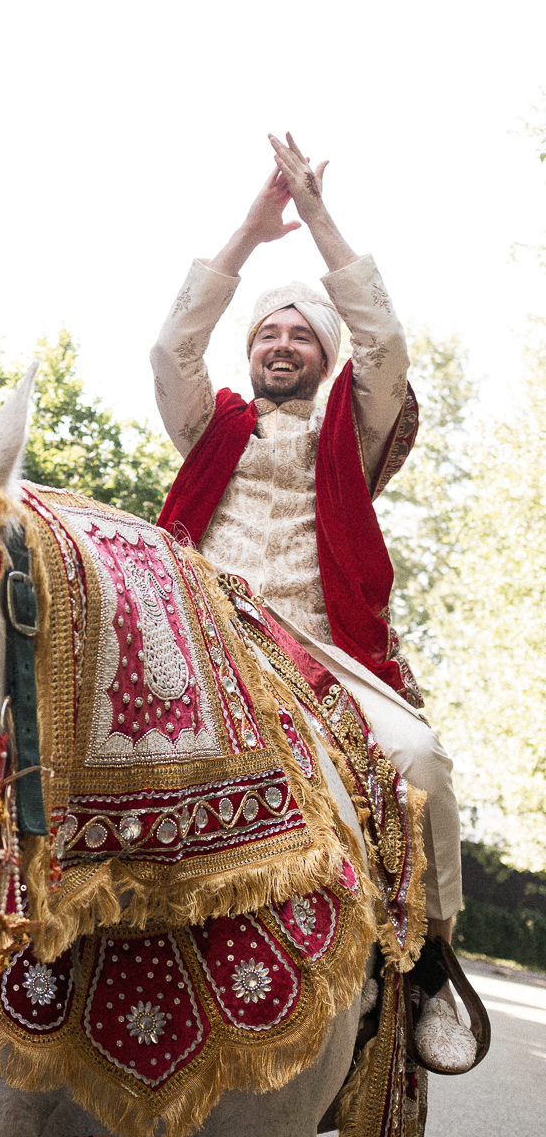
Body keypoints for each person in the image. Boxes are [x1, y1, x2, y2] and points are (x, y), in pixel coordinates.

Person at [150, 131, 474, 1073]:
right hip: (200, 643)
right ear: (249, 351)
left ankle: (432, 965)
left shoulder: (353, 432)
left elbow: (387, 343)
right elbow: (171, 344)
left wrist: (318, 220)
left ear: (323, 359)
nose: (284, 343)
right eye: (269, 333)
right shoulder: (208, 425)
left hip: (324, 657)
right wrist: (253, 231)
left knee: (419, 756)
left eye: (301, 335)